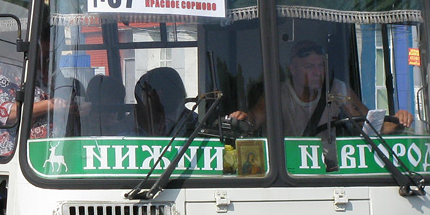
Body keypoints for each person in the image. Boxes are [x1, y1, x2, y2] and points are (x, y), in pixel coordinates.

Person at [231, 39, 413, 137]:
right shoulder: (277, 94)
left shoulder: (337, 89)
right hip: (289, 168)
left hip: (328, 169)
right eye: (309, 67)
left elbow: (370, 125)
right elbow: (253, 120)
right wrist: (241, 118)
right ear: (292, 70)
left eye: (320, 66)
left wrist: (399, 121)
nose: (318, 72)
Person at [134, 67, 196, 137]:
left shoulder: (195, 124)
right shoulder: (140, 121)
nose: (143, 103)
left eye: (145, 96)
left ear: (158, 94)